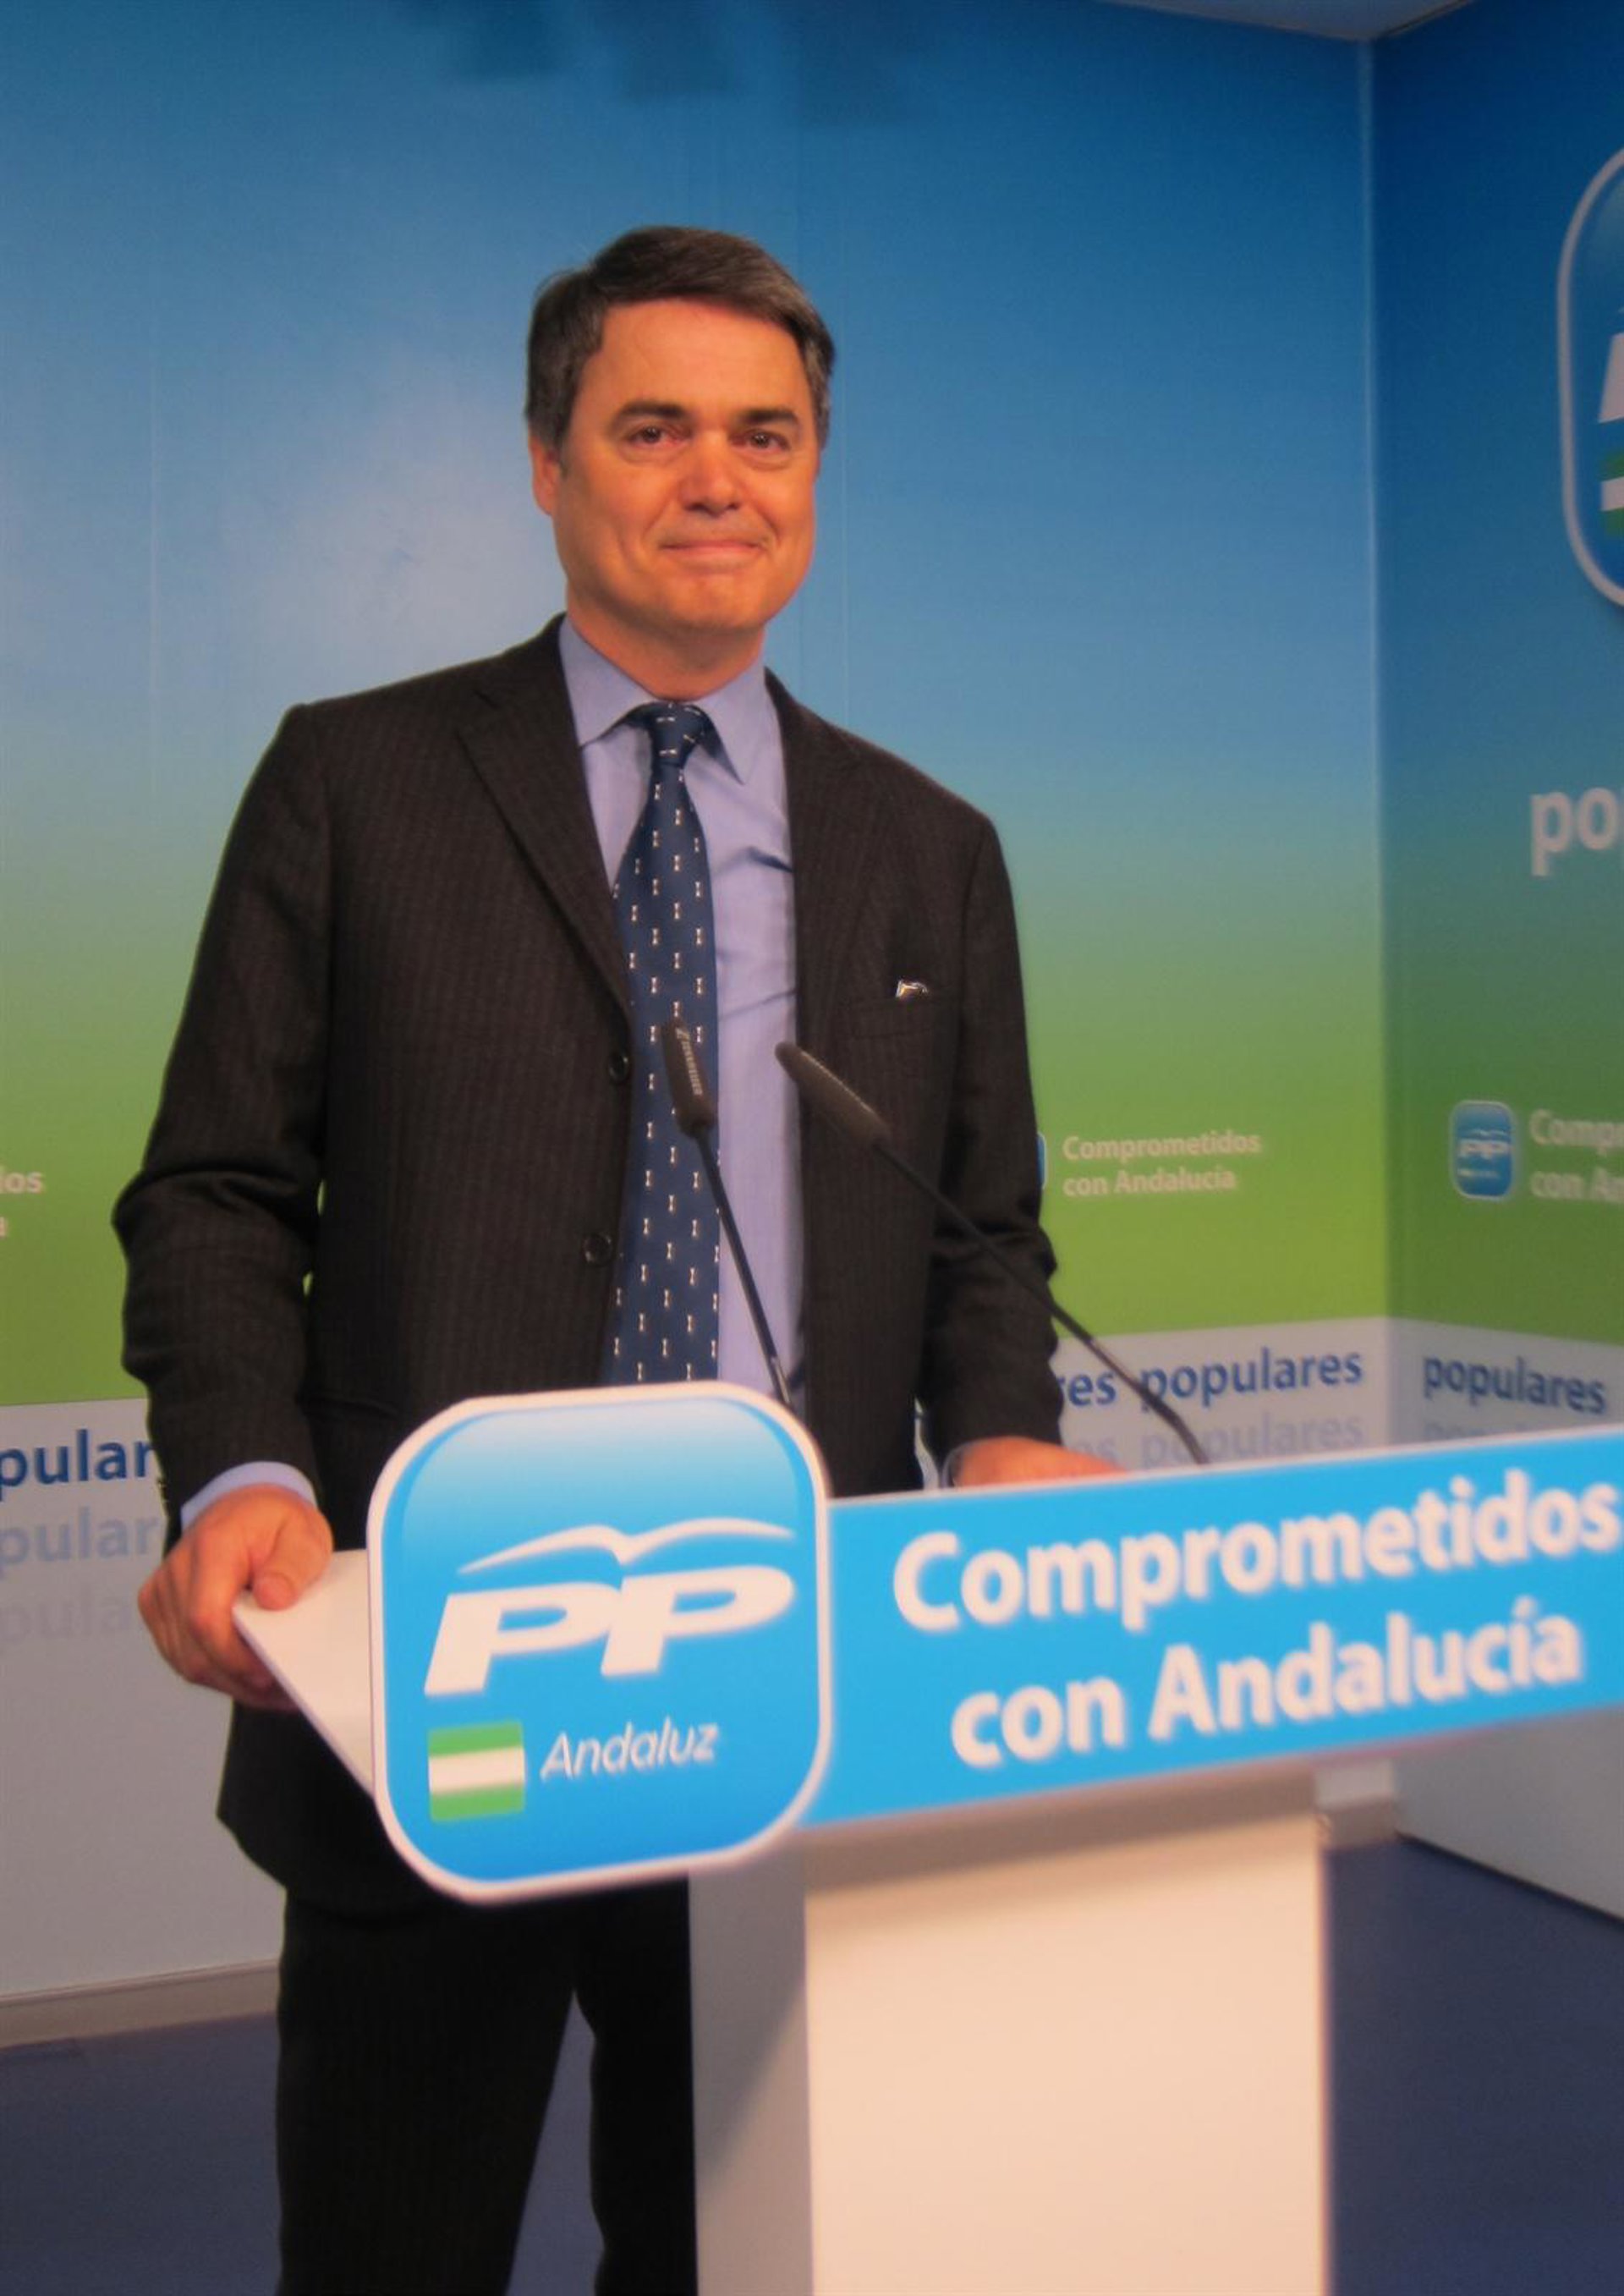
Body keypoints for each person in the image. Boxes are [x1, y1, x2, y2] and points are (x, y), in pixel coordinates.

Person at [116, 225, 1106, 2296]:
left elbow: (981, 1229)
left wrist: (1004, 1428)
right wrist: (244, 1471)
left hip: (793, 1672)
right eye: (654, 429)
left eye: (767, 435)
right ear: (547, 462)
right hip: (439, 1664)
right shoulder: (355, 780)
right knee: (393, 2252)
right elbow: (215, 1187)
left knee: (735, 2248)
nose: (717, 478)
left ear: (816, 475)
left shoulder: (930, 845)